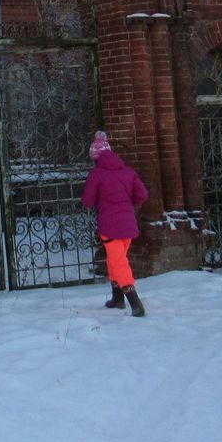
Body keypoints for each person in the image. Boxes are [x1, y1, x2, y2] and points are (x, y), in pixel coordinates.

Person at [80, 130, 149, 317]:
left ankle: (135, 303)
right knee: (114, 260)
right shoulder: (128, 172)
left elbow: (87, 201)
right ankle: (117, 298)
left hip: (110, 227)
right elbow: (142, 195)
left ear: (95, 158)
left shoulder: (97, 174)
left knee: (119, 263)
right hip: (128, 226)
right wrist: (127, 202)